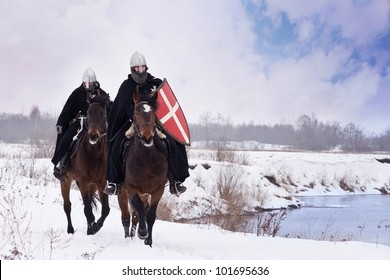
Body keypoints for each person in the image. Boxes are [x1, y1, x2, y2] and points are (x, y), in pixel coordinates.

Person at [104, 51, 189, 196]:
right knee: (117, 143)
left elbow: (165, 105)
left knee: (173, 143)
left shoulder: (155, 83)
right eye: (137, 69)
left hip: (153, 122)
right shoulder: (126, 86)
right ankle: (114, 182)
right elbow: (120, 108)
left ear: (146, 68)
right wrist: (133, 113)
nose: (140, 71)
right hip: (131, 121)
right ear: (132, 69)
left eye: (142, 68)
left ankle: (176, 180)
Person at [52, 67, 111, 181]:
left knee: (110, 141)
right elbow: (67, 109)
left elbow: (109, 108)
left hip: (97, 125)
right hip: (80, 123)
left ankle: (112, 169)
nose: (88, 85)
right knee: (67, 139)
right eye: (86, 83)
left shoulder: (101, 94)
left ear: (95, 82)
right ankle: (62, 165)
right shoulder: (77, 93)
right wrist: (61, 122)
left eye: (90, 83)